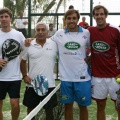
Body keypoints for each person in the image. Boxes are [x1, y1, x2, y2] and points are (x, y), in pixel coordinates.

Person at [51, 9, 91, 120]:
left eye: (74, 18)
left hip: (83, 78)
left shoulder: (86, 33)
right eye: (69, 18)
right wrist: (31, 40)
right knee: (67, 106)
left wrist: (89, 57)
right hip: (66, 79)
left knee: (83, 107)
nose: (71, 20)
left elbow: (94, 48)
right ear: (65, 20)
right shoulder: (59, 34)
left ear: (78, 20)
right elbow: (47, 43)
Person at [88, 5, 120, 120]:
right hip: (97, 77)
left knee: (119, 106)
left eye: (101, 14)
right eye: (97, 14)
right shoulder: (90, 31)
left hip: (115, 76)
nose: (99, 16)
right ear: (94, 16)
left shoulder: (116, 30)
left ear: (106, 15)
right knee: (100, 106)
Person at [20, 22, 58, 120]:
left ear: (47, 31)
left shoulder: (54, 44)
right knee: (31, 111)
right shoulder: (28, 45)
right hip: (32, 84)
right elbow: (23, 61)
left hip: (49, 84)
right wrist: (25, 76)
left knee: (50, 112)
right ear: (35, 32)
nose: (40, 32)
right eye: (38, 30)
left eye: (43, 30)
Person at [0, 7, 25, 120]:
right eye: (1, 17)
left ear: (10, 18)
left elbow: (27, 49)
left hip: (14, 77)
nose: (4, 19)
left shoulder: (18, 35)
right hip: (0, 77)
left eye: (6, 17)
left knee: (15, 105)